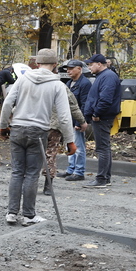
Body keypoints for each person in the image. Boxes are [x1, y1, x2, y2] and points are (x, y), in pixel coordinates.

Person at [0, 49, 76, 226]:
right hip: (38, 131)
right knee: (32, 174)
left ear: (37, 63)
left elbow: (8, 103)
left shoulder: (23, 79)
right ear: (55, 65)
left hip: (18, 128)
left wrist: (3, 126)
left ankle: (11, 213)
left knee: (17, 171)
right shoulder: (57, 85)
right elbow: (64, 117)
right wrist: (70, 140)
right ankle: (28, 216)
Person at [41, 60, 87, 195]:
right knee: (50, 155)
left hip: (34, 125)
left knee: (32, 154)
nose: (68, 71)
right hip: (53, 126)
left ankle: (28, 183)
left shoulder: (28, 83)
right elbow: (73, 106)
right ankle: (48, 186)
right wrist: (82, 121)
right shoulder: (60, 85)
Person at [82, 53, 122, 188]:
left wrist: (96, 113)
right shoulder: (104, 76)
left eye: (90, 64)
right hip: (102, 116)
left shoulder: (108, 77)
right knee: (104, 147)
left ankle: (101, 179)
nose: (89, 68)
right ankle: (105, 178)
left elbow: (105, 99)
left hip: (102, 117)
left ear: (99, 64)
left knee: (102, 148)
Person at [62, 59, 92, 181]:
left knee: (79, 146)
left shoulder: (85, 84)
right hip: (69, 120)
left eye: (71, 68)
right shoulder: (69, 83)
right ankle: (71, 169)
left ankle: (79, 172)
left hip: (77, 120)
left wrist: (80, 121)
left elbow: (84, 104)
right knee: (70, 145)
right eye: (67, 69)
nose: (68, 71)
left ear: (79, 69)